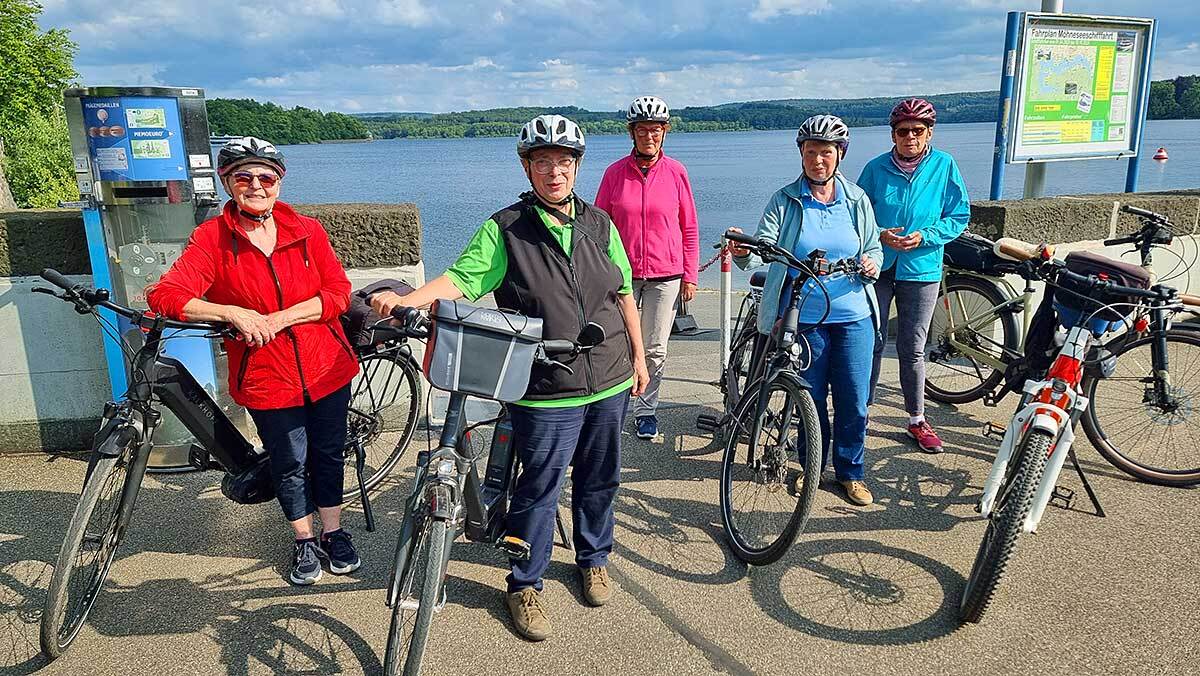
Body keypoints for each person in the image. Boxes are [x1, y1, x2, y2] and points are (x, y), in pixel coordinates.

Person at [371, 115, 649, 642]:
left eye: (563, 162)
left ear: (577, 167)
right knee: (539, 487)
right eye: (543, 162)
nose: (554, 172)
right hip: (547, 386)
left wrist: (639, 357)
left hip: (610, 376)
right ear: (527, 167)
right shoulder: (506, 228)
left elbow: (624, 293)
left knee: (600, 477)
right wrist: (409, 301)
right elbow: (461, 279)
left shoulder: (599, 224)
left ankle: (593, 558)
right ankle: (524, 583)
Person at [147, 137, 361, 586]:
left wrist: (280, 318)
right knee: (288, 460)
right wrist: (230, 312)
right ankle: (304, 539)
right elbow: (166, 295)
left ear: (279, 183)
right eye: (243, 177)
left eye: (266, 177)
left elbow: (338, 293)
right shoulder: (212, 239)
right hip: (266, 374)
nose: (256, 186)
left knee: (327, 452)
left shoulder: (307, 230)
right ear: (227, 183)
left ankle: (333, 531)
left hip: (326, 365)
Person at [729, 115, 882, 506]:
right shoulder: (785, 200)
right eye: (811, 151)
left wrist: (872, 262)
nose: (817, 160)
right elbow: (763, 247)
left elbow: (873, 246)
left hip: (853, 316)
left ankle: (851, 473)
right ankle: (810, 467)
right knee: (808, 400)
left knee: (854, 399)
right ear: (801, 153)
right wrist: (746, 250)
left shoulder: (856, 199)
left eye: (826, 152)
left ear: (839, 154)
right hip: (804, 317)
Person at [857, 98, 970, 453]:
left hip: (922, 268)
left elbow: (958, 215)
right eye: (903, 131)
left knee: (913, 347)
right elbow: (858, 214)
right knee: (871, 342)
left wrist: (926, 236)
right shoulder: (875, 168)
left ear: (929, 133)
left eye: (917, 130)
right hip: (880, 265)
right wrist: (880, 234)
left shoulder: (944, 165)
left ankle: (916, 419)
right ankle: (861, 413)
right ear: (893, 134)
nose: (910, 137)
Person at [595, 95, 699, 441]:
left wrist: (690, 274)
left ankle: (646, 411)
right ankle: (614, 406)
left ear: (664, 131)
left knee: (655, 348)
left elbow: (689, 227)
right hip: (621, 275)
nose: (648, 136)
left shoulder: (676, 172)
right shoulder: (614, 173)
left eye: (655, 130)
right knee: (616, 344)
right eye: (642, 130)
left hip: (666, 275)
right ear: (632, 133)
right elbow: (598, 227)